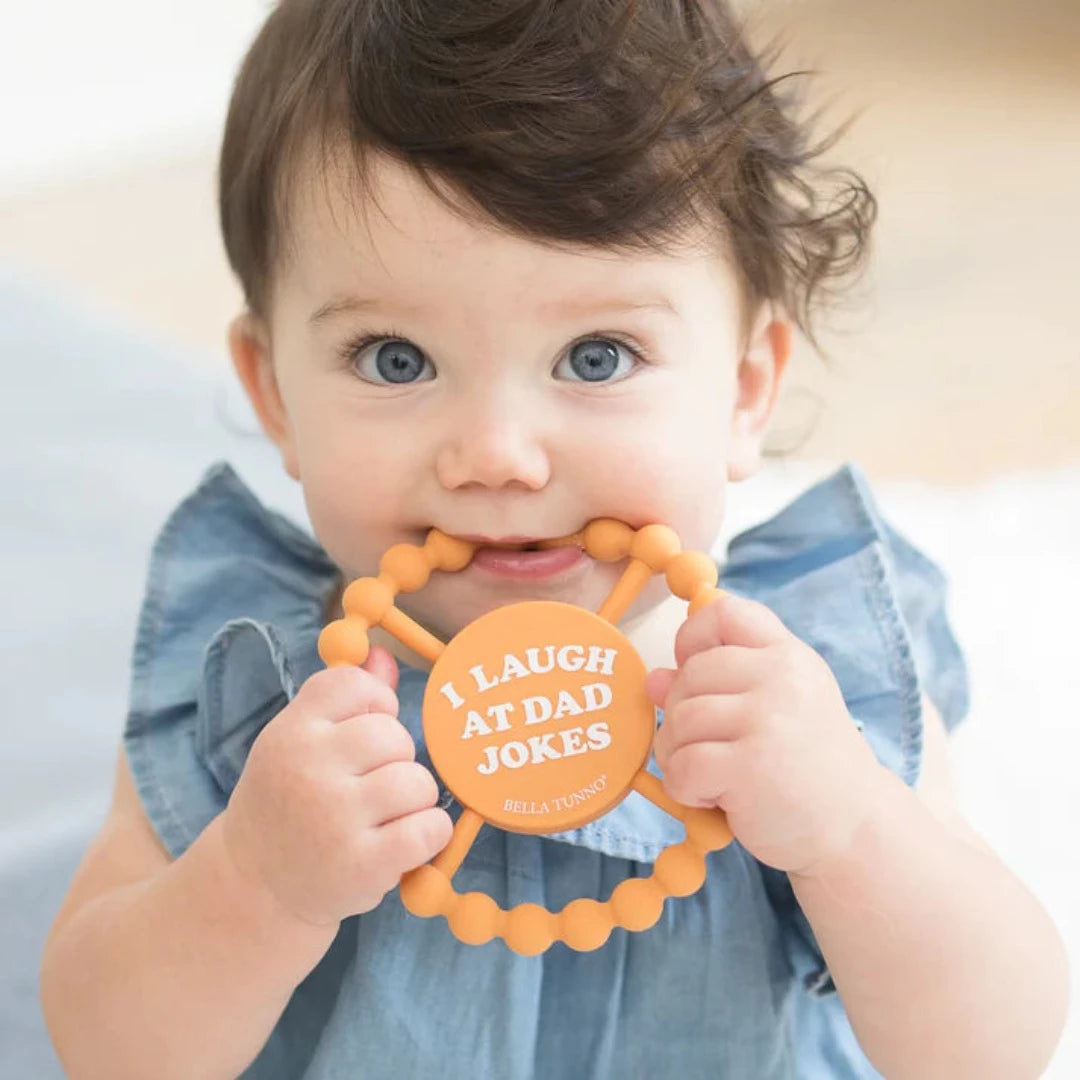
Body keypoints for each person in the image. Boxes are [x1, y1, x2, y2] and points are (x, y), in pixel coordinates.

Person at [40, 1, 1068, 1077]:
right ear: (277, 400)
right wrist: (252, 885)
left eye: (595, 357)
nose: (497, 455)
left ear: (743, 390)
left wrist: (850, 830)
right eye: (396, 359)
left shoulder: (808, 676)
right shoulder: (256, 684)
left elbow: (991, 1051)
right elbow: (107, 1049)